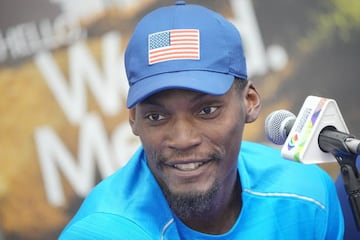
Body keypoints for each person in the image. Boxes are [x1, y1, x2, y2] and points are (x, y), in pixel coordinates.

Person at [59, 1, 344, 239]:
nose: (183, 139)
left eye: (207, 110)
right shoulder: (102, 232)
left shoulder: (306, 196)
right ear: (134, 119)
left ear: (250, 102)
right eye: (157, 116)